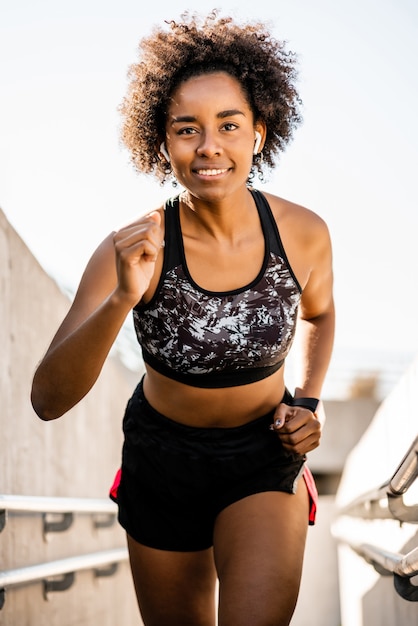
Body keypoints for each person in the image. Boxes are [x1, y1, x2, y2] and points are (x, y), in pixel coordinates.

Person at [31, 10, 335, 626]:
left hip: (262, 459)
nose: (209, 147)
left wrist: (306, 400)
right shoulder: (134, 245)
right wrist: (122, 298)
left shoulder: (302, 234)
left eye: (229, 124)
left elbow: (320, 317)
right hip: (161, 462)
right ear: (162, 141)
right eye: (186, 129)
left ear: (258, 132)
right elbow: (47, 398)